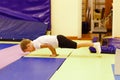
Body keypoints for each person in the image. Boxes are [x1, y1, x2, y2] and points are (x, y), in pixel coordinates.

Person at [20, 35, 101, 57]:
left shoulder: (36, 44)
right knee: (76, 45)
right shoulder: (35, 42)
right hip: (59, 39)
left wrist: (54, 54)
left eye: (28, 50)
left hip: (59, 40)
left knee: (77, 45)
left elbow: (48, 45)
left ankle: (95, 44)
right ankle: (94, 44)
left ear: (28, 45)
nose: (30, 52)